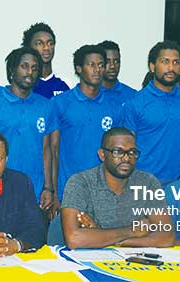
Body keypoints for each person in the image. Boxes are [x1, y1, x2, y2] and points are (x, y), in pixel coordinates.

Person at [46, 44, 123, 245]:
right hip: (69, 189)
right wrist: (54, 191)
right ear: (79, 68)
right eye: (91, 65)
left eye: (101, 65)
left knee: (102, 249)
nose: (97, 70)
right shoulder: (60, 103)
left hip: (104, 192)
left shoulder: (114, 106)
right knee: (65, 248)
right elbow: (53, 151)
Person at [61, 127, 174, 248]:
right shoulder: (80, 182)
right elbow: (74, 239)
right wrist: (132, 231)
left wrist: (101, 237)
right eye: (118, 152)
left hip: (137, 261)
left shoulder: (148, 182)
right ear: (102, 155)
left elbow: (166, 237)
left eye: (132, 152)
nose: (126, 158)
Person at [0, 47, 51, 215]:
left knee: (32, 240)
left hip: (35, 193)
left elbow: (47, 150)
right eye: (24, 66)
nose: (30, 72)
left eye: (35, 68)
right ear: (12, 70)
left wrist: (48, 188)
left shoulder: (45, 106)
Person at [122, 41, 180, 184]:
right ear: (152, 66)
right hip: (143, 184)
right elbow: (127, 149)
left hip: (179, 185)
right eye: (165, 62)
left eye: (176, 62)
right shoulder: (136, 103)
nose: (171, 67)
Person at [22, 22, 69, 99]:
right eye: (40, 43)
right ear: (29, 47)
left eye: (50, 43)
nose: (46, 48)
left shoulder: (67, 84)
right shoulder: (23, 84)